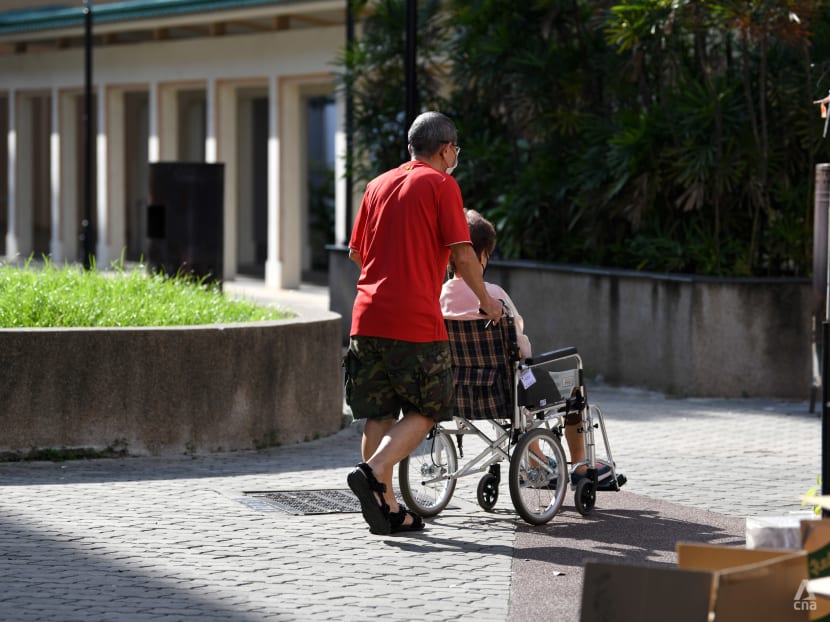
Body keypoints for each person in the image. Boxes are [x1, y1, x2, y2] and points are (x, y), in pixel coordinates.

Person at [344, 111, 503, 535]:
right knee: (430, 407)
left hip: (366, 315)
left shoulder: (377, 185)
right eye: (456, 149)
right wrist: (486, 300)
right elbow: (463, 253)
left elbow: (356, 254)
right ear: (447, 149)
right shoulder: (441, 184)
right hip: (413, 320)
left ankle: (388, 508)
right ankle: (374, 472)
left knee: (378, 413)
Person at [440, 209, 612, 485]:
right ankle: (580, 465)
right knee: (571, 384)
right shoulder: (492, 295)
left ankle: (535, 460)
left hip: (460, 388)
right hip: (508, 388)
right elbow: (519, 342)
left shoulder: (441, 296)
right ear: (481, 255)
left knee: (525, 393)